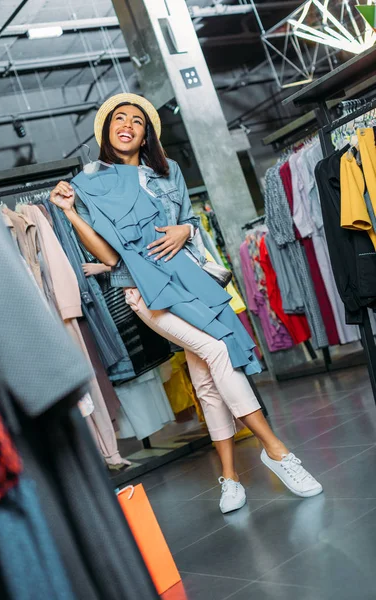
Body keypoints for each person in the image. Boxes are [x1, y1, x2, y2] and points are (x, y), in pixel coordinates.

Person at [50, 93, 323, 514]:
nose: (127, 125)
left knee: (206, 376)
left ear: (145, 136)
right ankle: (277, 451)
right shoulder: (87, 184)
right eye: (118, 118)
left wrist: (183, 230)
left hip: (189, 276)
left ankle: (230, 479)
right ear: (106, 130)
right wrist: (70, 212)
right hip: (143, 288)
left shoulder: (167, 171)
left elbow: (189, 222)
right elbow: (107, 256)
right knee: (217, 351)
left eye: (137, 121)